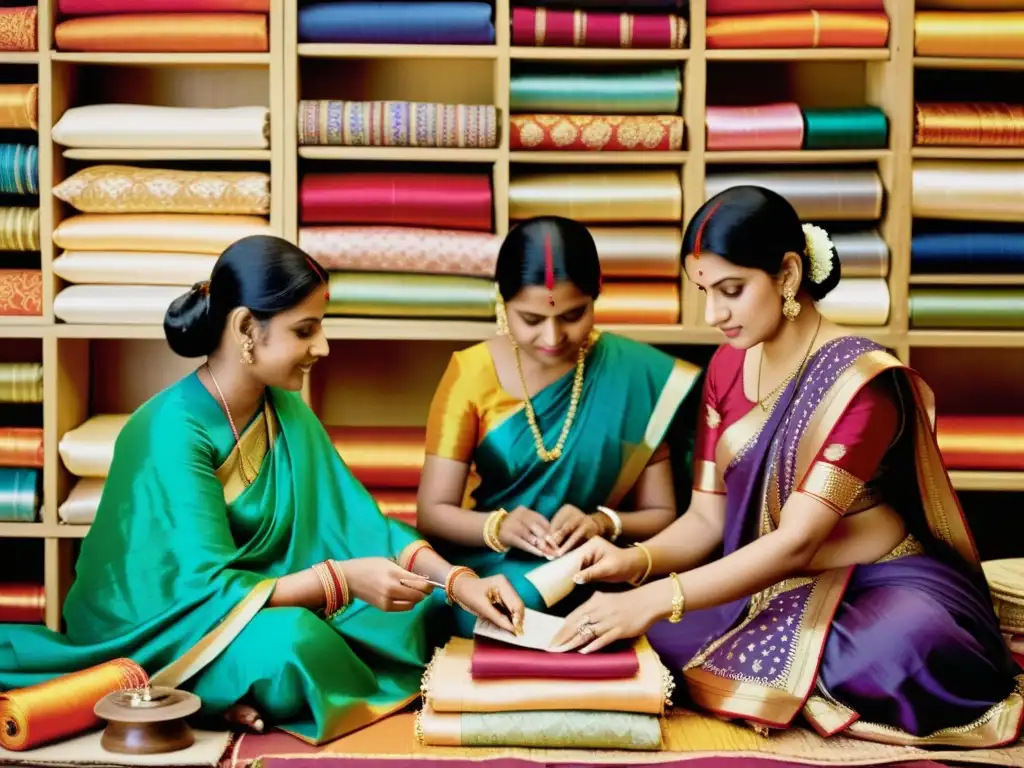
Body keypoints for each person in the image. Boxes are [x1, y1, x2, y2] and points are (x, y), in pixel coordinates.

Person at [0, 235, 524, 746]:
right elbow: (199, 591)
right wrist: (341, 580)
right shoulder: (170, 431)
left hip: (255, 599)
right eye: (305, 330)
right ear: (247, 328)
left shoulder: (285, 409)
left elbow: (358, 525)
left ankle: (219, 697)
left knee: (419, 612)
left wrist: (458, 581)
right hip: (162, 626)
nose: (322, 346)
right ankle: (192, 692)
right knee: (293, 644)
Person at [550, 187, 1024, 748]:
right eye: (703, 291)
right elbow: (706, 521)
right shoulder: (727, 367)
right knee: (646, 636)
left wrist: (655, 595)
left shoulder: (857, 383)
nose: (714, 314)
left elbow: (797, 543)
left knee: (907, 650)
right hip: (770, 584)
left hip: (879, 586)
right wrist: (635, 562)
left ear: (788, 274)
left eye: (731, 291)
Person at [416, 216, 704, 637]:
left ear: (596, 296)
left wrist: (603, 523)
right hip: (494, 560)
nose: (552, 336)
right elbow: (432, 512)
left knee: (671, 611)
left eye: (573, 315)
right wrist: (499, 526)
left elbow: (663, 515)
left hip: (597, 563)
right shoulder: (470, 373)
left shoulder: (636, 376)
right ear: (502, 302)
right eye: (531, 319)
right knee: (494, 604)